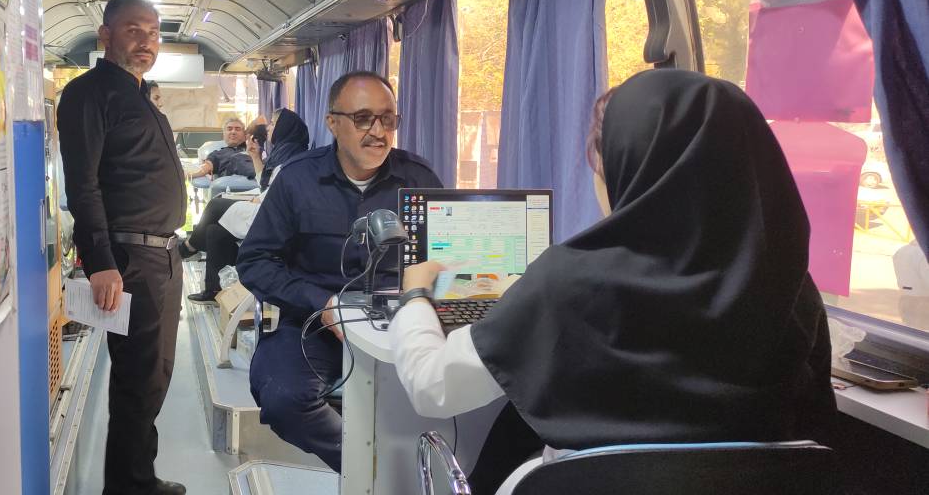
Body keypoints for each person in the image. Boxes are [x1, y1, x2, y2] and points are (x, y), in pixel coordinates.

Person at [390, 70, 836, 493]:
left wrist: (415, 296)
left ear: (628, 166)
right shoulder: (793, 290)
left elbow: (433, 387)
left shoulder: (566, 283)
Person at [236, 71, 444, 471]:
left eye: (388, 119)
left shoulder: (419, 179)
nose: (378, 132)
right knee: (282, 398)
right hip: (315, 323)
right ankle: (371, 470)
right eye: (363, 119)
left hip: (404, 321)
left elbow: (447, 256)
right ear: (332, 122)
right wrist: (322, 303)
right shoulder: (297, 179)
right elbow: (254, 261)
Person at [56, 0, 186, 495]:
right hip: (130, 258)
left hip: (163, 255)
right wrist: (100, 263)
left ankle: (137, 478)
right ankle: (129, 487)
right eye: (134, 30)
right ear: (105, 35)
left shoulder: (141, 95)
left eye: (153, 33)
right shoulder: (89, 94)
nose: (146, 41)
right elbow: (83, 185)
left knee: (155, 375)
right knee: (137, 380)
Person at [181, 110, 311, 304]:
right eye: (229, 129)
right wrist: (255, 156)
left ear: (284, 128)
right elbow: (266, 185)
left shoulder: (295, 158)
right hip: (266, 209)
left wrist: (261, 198)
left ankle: (189, 247)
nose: (268, 128)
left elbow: (281, 192)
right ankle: (213, 291)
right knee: (215, 231)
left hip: (274, 219)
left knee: (215, 205)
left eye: (273, 123)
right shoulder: (280, 153)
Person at [187, 117, 259, 196]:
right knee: (237, 159)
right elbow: (204, 169)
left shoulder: (256, 148)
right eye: (229, 129)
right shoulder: (217, 154)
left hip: (261, 185)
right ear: (224, 134)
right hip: (234, 189)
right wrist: (183, 174)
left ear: (244, 134)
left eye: (238, 129)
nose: (233, 132)